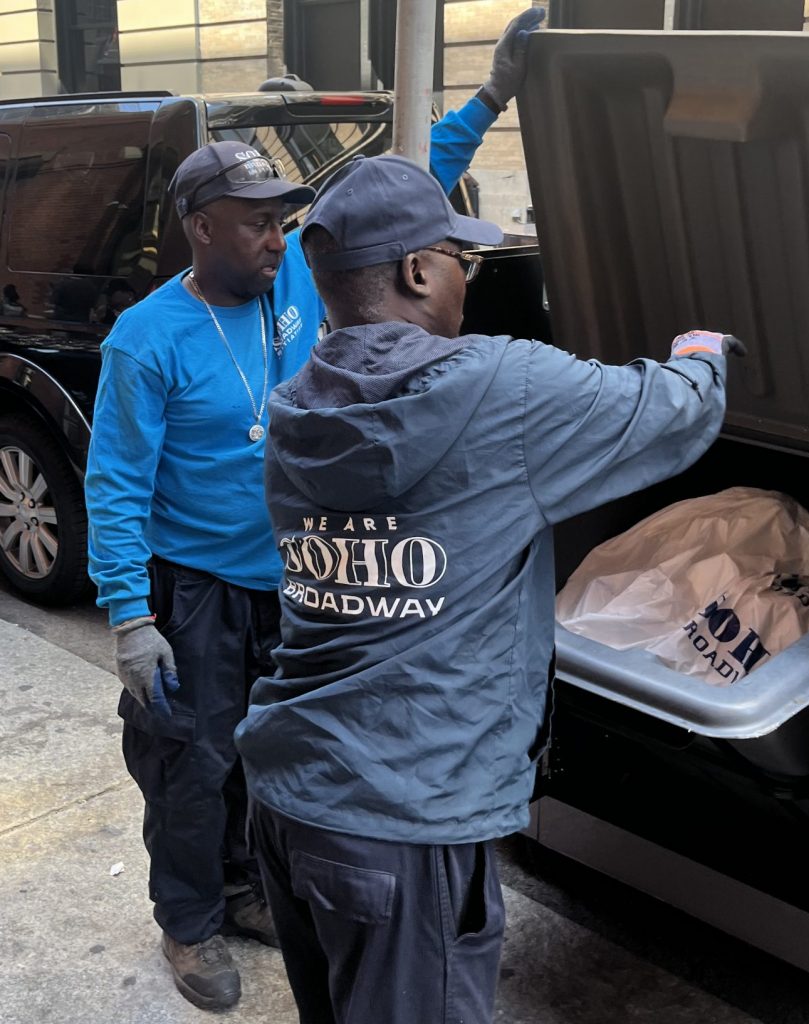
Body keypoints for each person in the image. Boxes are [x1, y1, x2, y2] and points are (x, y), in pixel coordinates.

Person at [84, 8, 545, 1011]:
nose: (277, 234)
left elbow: (410, 184)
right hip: (196, 592)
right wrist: (130, 617)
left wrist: (493, 94)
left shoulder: (293, 271)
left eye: (283, 217)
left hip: (300, 583)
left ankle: (250, 887)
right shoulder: (146, 338)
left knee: (275, 756)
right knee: (190, 769)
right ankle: (190, 921)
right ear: (200, 225)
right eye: (255, 219)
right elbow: (114, 483)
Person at [234, 153, 745, 1024]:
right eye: (459, 262)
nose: (466, 282)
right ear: (418, 271)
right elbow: (673, 411)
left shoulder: (293, 411)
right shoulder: (500, 387)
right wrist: (703, 350)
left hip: (290, 798)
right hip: (404, 819)